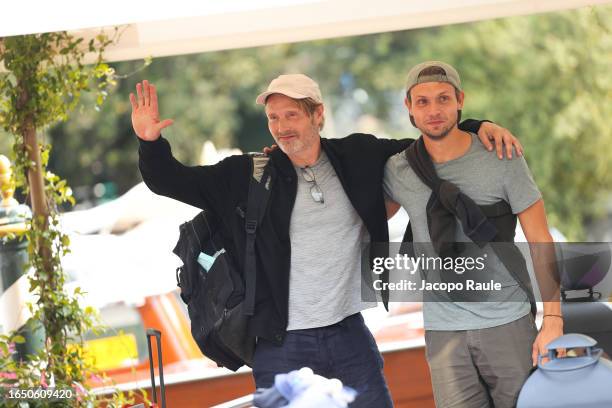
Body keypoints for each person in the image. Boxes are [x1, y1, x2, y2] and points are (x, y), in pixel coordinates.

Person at [130, 74, 520, 407]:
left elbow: (429, 142)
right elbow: (172, 181)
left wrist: (475, 126)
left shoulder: (358, 155)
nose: (282, 127)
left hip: (349, 334)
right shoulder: (245, 175)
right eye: (273, 118)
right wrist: (150, 142)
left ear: (318, 114)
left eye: (292, 115)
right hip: (281, 345)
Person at [383, 61, 563, 408]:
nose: (434, 110)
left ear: (460, 100)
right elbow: (362, 210)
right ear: (408, 106)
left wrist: (553, 319)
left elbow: (541, 239)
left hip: (507, 321)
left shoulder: (502, 155)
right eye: (422, 102)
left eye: (443, 99)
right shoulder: (398, 170)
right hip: (443, 332)